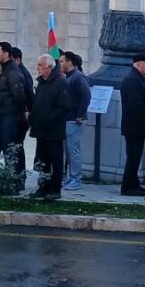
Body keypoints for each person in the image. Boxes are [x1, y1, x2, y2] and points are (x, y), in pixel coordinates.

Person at [28, 54, 71, 200]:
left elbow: (63, 107)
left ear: (50, 67)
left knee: (55, 160)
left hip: (54, 130)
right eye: (38, 65)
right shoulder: (42, 82)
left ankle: (55, 189)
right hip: (40, 130)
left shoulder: (60, 83)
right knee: (42, 160)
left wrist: (48, 119)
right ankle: (43, 186)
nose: (38, 68)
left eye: (41, 65)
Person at [0, 44, 28, 193]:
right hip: (3, 115)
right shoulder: (7, 70)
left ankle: (12, 184)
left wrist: (20, 114)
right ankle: (6, 181)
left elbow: (19, 96)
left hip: (10, 115)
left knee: (10, 149)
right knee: (5, 149)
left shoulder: (13, 72)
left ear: (6, 54)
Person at [118, 53, 145, 196]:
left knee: (135, 157)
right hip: (134, 127)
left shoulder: (138, 78)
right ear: (138, 64)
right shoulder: (132, 80)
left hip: (137, 127)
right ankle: (128, 187)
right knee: (133, 157)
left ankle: (134, 183)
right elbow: (135, 107)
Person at [60, 51, 91, 192]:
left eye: (62, 61)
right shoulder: (69, 77)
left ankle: (76, 179)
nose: (60, 64)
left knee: (73, 151)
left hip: (74, 120)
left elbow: (86, 95)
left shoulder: (78, 77)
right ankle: (70, 177)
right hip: (68, 119)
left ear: (70, 62)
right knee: (68, 151)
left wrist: (80, 115)